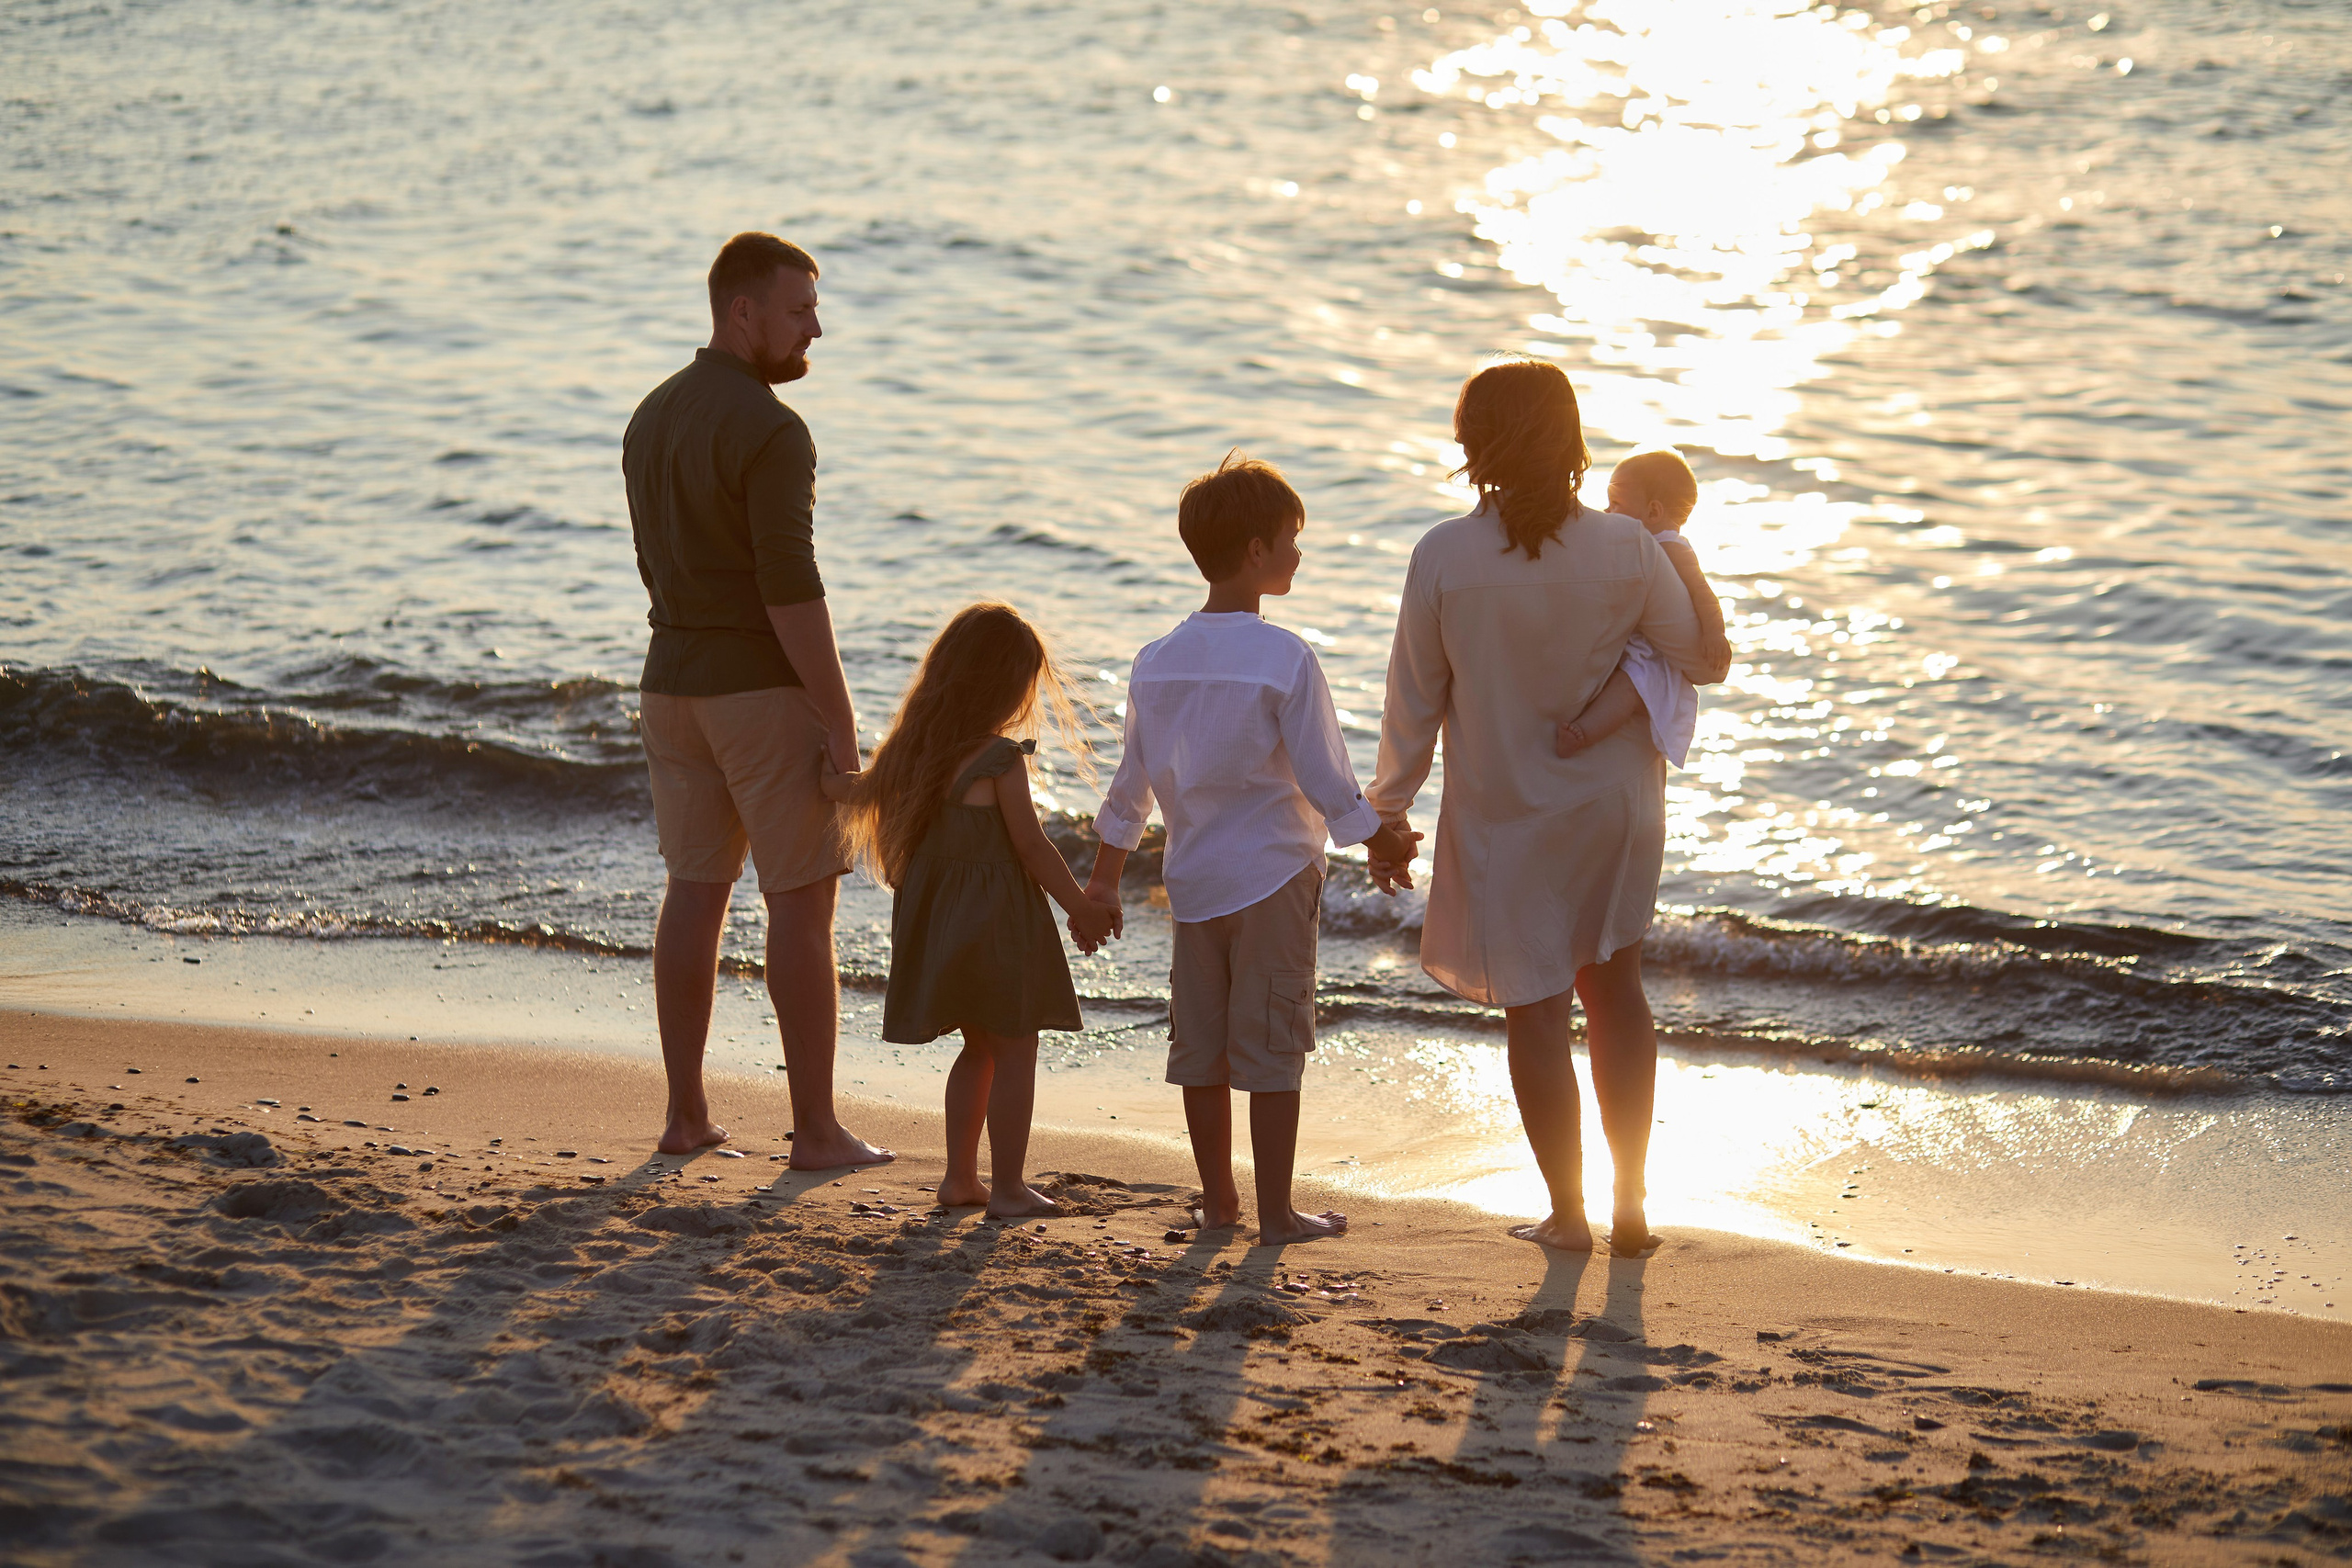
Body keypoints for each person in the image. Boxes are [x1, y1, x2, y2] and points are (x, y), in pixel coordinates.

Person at [1365, 361, 1727, 1256]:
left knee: (1534, 1006)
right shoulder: (1627, 547)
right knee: (1616, 989)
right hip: (1613, 805)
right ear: (1571, 444)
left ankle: (1568, 1216)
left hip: (1505, 812)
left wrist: (1388, 812)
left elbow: (1411, 704)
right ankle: (1632, 1207)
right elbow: (1704, 660)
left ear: (1473, 444)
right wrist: (1681, 551)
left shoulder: (1443, 555)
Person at [1085, 454, 1420, 1246]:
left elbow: (1129, 788)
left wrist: (1102, 882)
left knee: (1199, 1049)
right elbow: (1331, 783)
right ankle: (1276, 1213)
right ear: (1256, 553)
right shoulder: (1285, 659)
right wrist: (1383, 839)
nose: (1299, 553)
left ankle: (1222, 1201)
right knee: (1274, 1046)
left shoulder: (1155, 661)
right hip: (1272, 878)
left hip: (1193, 885)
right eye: (1291, 539)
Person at [620, 231, 889, 1168]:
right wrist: (840, 718)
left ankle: (686, 1115)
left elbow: (654, 563)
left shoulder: (650, 417)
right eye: (799, 310)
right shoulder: (775, 431)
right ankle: (814, 1130)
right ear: (743, 314)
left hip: (669, 688)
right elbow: (790, 584)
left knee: (693, 896)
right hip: (758, 695)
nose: (815, 327)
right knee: (800, 907)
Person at [829, 604, 1116, 1217]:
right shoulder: (1000, 760)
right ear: (1006, 685)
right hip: (995, 924)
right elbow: (1032, 847)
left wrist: (803, 766)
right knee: (1015, 1048)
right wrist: (1082, 907)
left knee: (978, 1048)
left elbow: (852, 790)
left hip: (939, 925)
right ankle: (1008, 1185)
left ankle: (961, 1176)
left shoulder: (914, 751)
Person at [1554, 448, 1733, 766]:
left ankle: (1584, 733)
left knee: (1629, 686)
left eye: (1617, 504)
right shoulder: (1628, 546)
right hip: (1632, 642)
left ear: (1652, 512)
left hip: (1653, 657)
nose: (1607, 512)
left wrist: (1715, 634)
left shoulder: (1672, 548)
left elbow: (1703, 593)